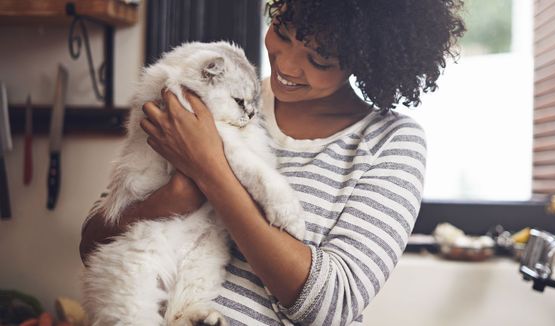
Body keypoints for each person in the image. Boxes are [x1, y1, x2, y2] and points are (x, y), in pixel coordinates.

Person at [79, 0, 465, 324]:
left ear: (365, 59)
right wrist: (172, 198)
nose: (288, 65)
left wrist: (210, 171)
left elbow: (331, 304)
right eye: (282, 32)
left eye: (319, 58)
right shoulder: (220, 94)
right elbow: (94, 240)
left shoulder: (391, 142)